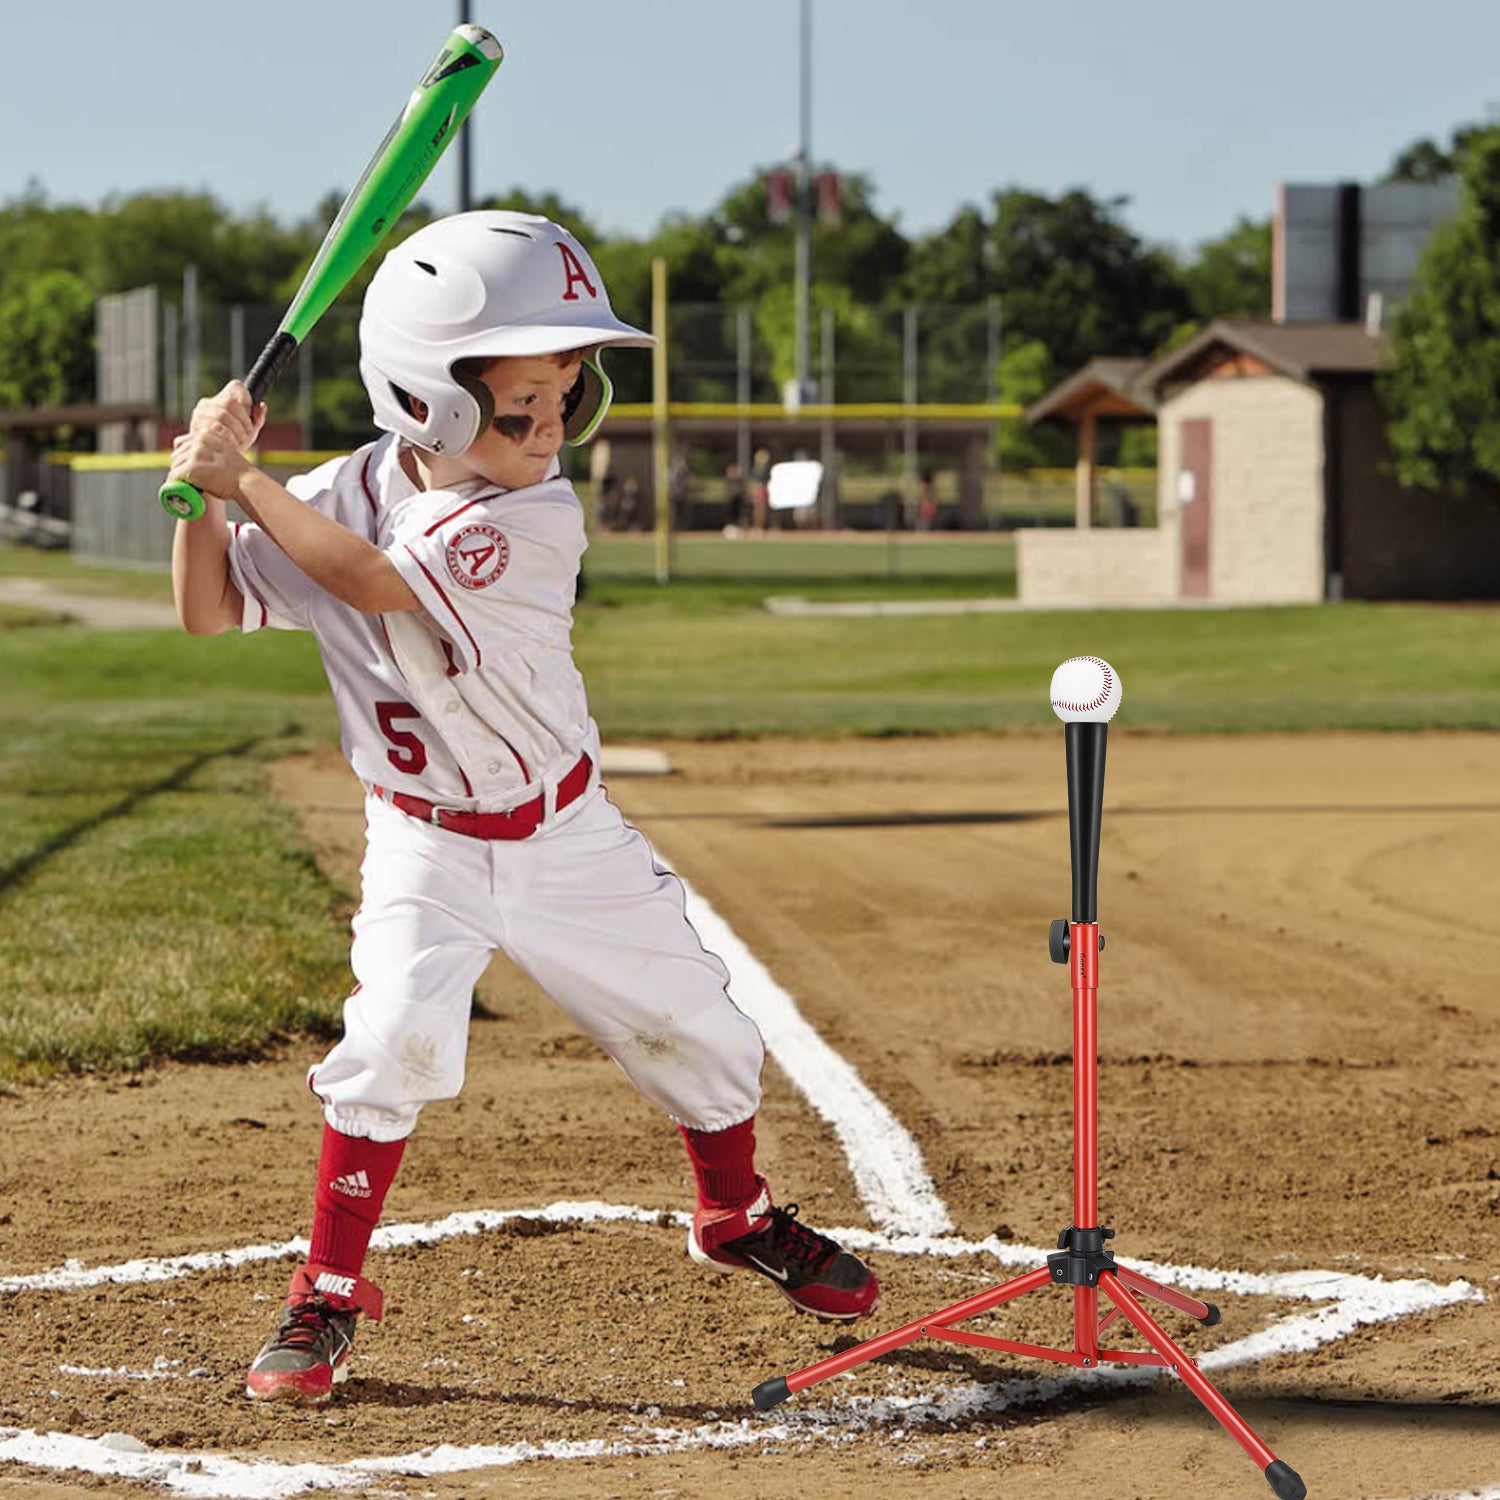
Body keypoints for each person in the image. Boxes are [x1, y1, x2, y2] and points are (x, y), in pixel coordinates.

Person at [167, 210, 880, 1406]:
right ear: (427, 402)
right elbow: (209, 611)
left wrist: (245, 484)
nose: (552, 427)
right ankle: (326, 1296)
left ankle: (734, 1211)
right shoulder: (334, 490)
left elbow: (374, 579)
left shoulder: (532, 516)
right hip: (423, 839)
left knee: (700, 1032)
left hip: (562, 832)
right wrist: (198, 500)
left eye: (569, 395)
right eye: (521, 405)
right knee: (390, 1038)